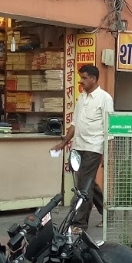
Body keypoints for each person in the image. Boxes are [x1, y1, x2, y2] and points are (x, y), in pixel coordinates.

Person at [51, 65, 111, 232]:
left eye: (84, 78)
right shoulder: (81, 98)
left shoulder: (104, 98)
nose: (81, 81)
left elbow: (109, 128)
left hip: (94, 146)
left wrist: (107, 154)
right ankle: (108, 213)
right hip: (79, 146)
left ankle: (79, 223)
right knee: (87, 182)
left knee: (84, 184)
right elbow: (74, 124)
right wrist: (64, 143)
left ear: (93, 78)